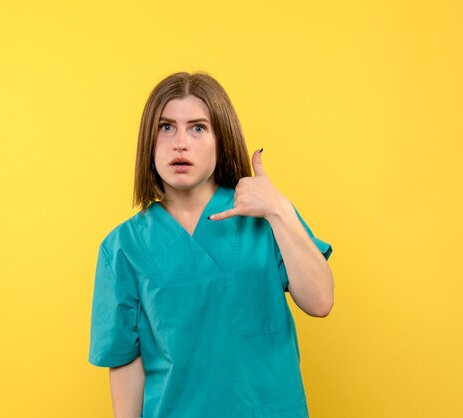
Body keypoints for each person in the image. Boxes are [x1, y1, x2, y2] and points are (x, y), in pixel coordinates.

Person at [89, 71, 334, 418]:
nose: (180, 143)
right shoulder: (123, 247)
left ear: (222, 138)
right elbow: (126, 364)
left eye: (198, 128)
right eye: (166, 127)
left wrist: (279, 209)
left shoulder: (265, 216)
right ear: (149, 140)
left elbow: (321, 301)